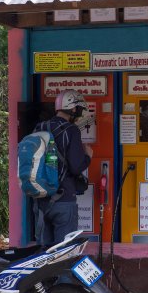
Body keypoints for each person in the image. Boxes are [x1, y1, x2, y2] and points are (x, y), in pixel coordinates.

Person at [34, 89, 93, 247]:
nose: (79, 113)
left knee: (44, 252)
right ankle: (63, 274)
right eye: (79, 109)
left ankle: (46, 273)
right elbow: (76, 166)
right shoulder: (71, 130)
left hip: (41, 200)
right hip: (63, 198)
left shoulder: (40, 127)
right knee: (63, 252)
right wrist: (88, 156)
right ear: (73, 109)